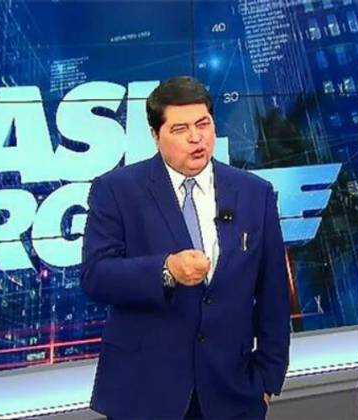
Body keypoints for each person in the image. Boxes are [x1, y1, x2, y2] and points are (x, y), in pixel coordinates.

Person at [81, 76, 290, 419]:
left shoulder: (255, 193)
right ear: (155, 134)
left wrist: (267, 380)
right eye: (180, 129)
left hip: (233, 393)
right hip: (145, 394)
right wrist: (166, 270)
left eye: (203, 124)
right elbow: (96, 276)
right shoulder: (117, 191)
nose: (196, 138)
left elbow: (274, 295)